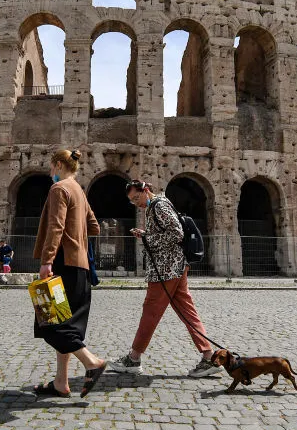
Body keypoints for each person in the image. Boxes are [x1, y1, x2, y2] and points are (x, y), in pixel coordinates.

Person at [108, 180, 220, 378]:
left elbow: (176, 233)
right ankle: (209, 356)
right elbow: (166, 233)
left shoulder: (159, 205)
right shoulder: (156, 206)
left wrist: (146, 238)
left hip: (166, 269)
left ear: (146, 190)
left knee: (150, 311)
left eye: (137, 198)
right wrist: (146, 234)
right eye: (132, 201)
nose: (136, 203)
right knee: (188, 312)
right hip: (175, 267)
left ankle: (133, 359)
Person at [32, 148, 107, 398]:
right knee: (66, 323)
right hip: (81, 267)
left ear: (57, 165)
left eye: (51, 167)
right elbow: (94, 227)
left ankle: (91, 362)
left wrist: (46, 260)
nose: (50, 171)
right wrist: (78, 235)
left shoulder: (58, 188)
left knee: (50, 323)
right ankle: (60, 382)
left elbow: (56, 227)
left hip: (62, 263)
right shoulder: (80, 192)